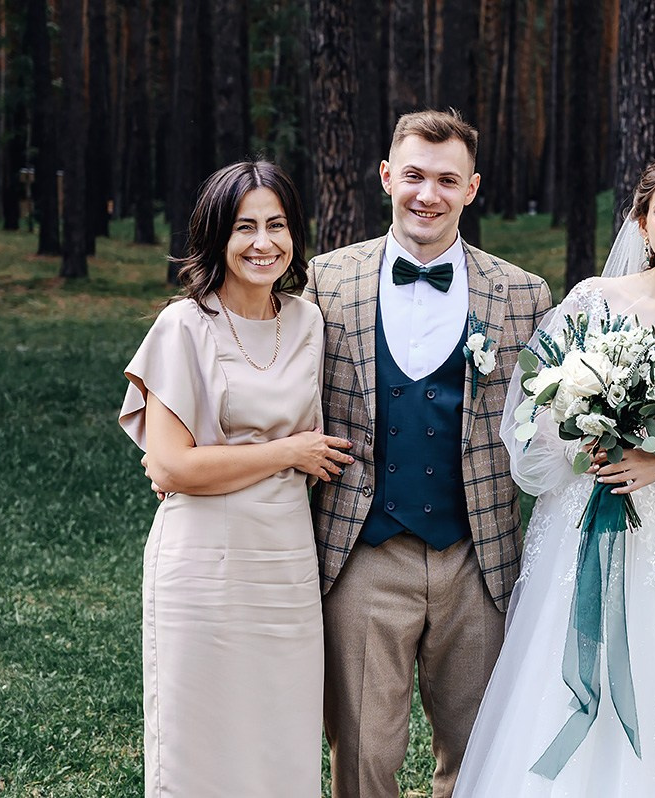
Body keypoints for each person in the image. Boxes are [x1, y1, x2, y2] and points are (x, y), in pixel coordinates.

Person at [454, 150, 655, 796]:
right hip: (578, 527)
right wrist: (584, 438)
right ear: (641, 222)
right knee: (553, 671)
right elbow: (534, 408)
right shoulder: (593, 300)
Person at [303, 109, 553, 798]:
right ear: (387, 177)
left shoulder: (525, 295)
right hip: (362, 552)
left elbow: (555, 423)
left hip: (478, 558)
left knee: (478, 754)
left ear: (472, 188)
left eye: (447, 179)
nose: (427, 194)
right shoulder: (326, 282)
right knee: (361, 752)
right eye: (413, 175)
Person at [119, 160, 352, 797]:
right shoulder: (183, 325)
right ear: (216, 235)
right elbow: (172, 467)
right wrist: (289, 452)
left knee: (283, 736)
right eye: (244, 227)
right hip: (202, 564)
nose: (262, 243)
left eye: (277, 225)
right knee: (199, 743)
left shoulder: (310, 323)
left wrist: (282, 458)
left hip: (284, 562)